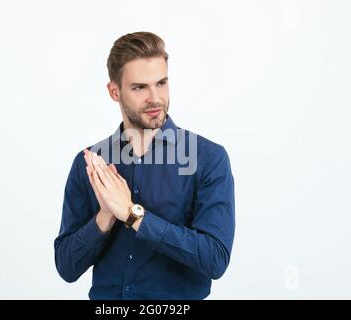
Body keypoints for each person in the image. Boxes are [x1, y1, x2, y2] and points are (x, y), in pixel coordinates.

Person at [54, 31, 235, 300]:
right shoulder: (91, 163)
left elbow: (215, 259)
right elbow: (67, 267)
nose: (155, 98)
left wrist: (133, 215)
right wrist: (105, 217)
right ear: (114, 91)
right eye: (140, 87)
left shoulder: (208, 158)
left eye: (161, 83)